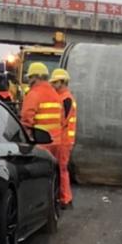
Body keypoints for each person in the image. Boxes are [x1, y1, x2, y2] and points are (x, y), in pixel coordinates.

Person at [49, 68, 76, 208]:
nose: (53, 85)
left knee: (62, 169)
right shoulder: (63, 97)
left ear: (62, 82)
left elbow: (62, 120)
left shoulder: (65, 99)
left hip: (64, 141)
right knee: (61, 169)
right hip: (62, 140)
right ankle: (65, 198)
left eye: (55, 82)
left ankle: (65, 199)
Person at [20, 62, 63, 146]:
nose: (28, 80)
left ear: (35, 78)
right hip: (56, 142)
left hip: (41, 143)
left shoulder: (33, 94)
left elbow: (26, 120)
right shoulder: (55, 94)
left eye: (30, 77)